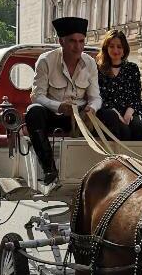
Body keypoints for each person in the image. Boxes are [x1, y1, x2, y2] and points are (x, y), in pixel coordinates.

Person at [27, 16, 101, 185]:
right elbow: (37, 96)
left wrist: (92, 108)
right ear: (61, 41)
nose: (78, 47)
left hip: (81, 117)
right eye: (72, 41)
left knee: (110, 116)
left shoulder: (90, 63)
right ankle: (49, 169)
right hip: (53, 116)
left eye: (81, 41)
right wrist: (59, 106)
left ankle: (107, 168)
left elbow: (96, 97)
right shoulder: (46, 60)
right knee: (34, 112)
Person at [96, 30, 142, 141]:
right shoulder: (98, 69)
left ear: (124, 49)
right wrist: (118, 116)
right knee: (123, 130)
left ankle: (134, 158)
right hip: (108, 112)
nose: (115, 50)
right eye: (112, 46)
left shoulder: (132, 68)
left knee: (139, 128)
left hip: (128, 111)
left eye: (119, 46)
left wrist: (128, 113)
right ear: (106, 48)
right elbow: (100, 97)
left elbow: (136, 96)